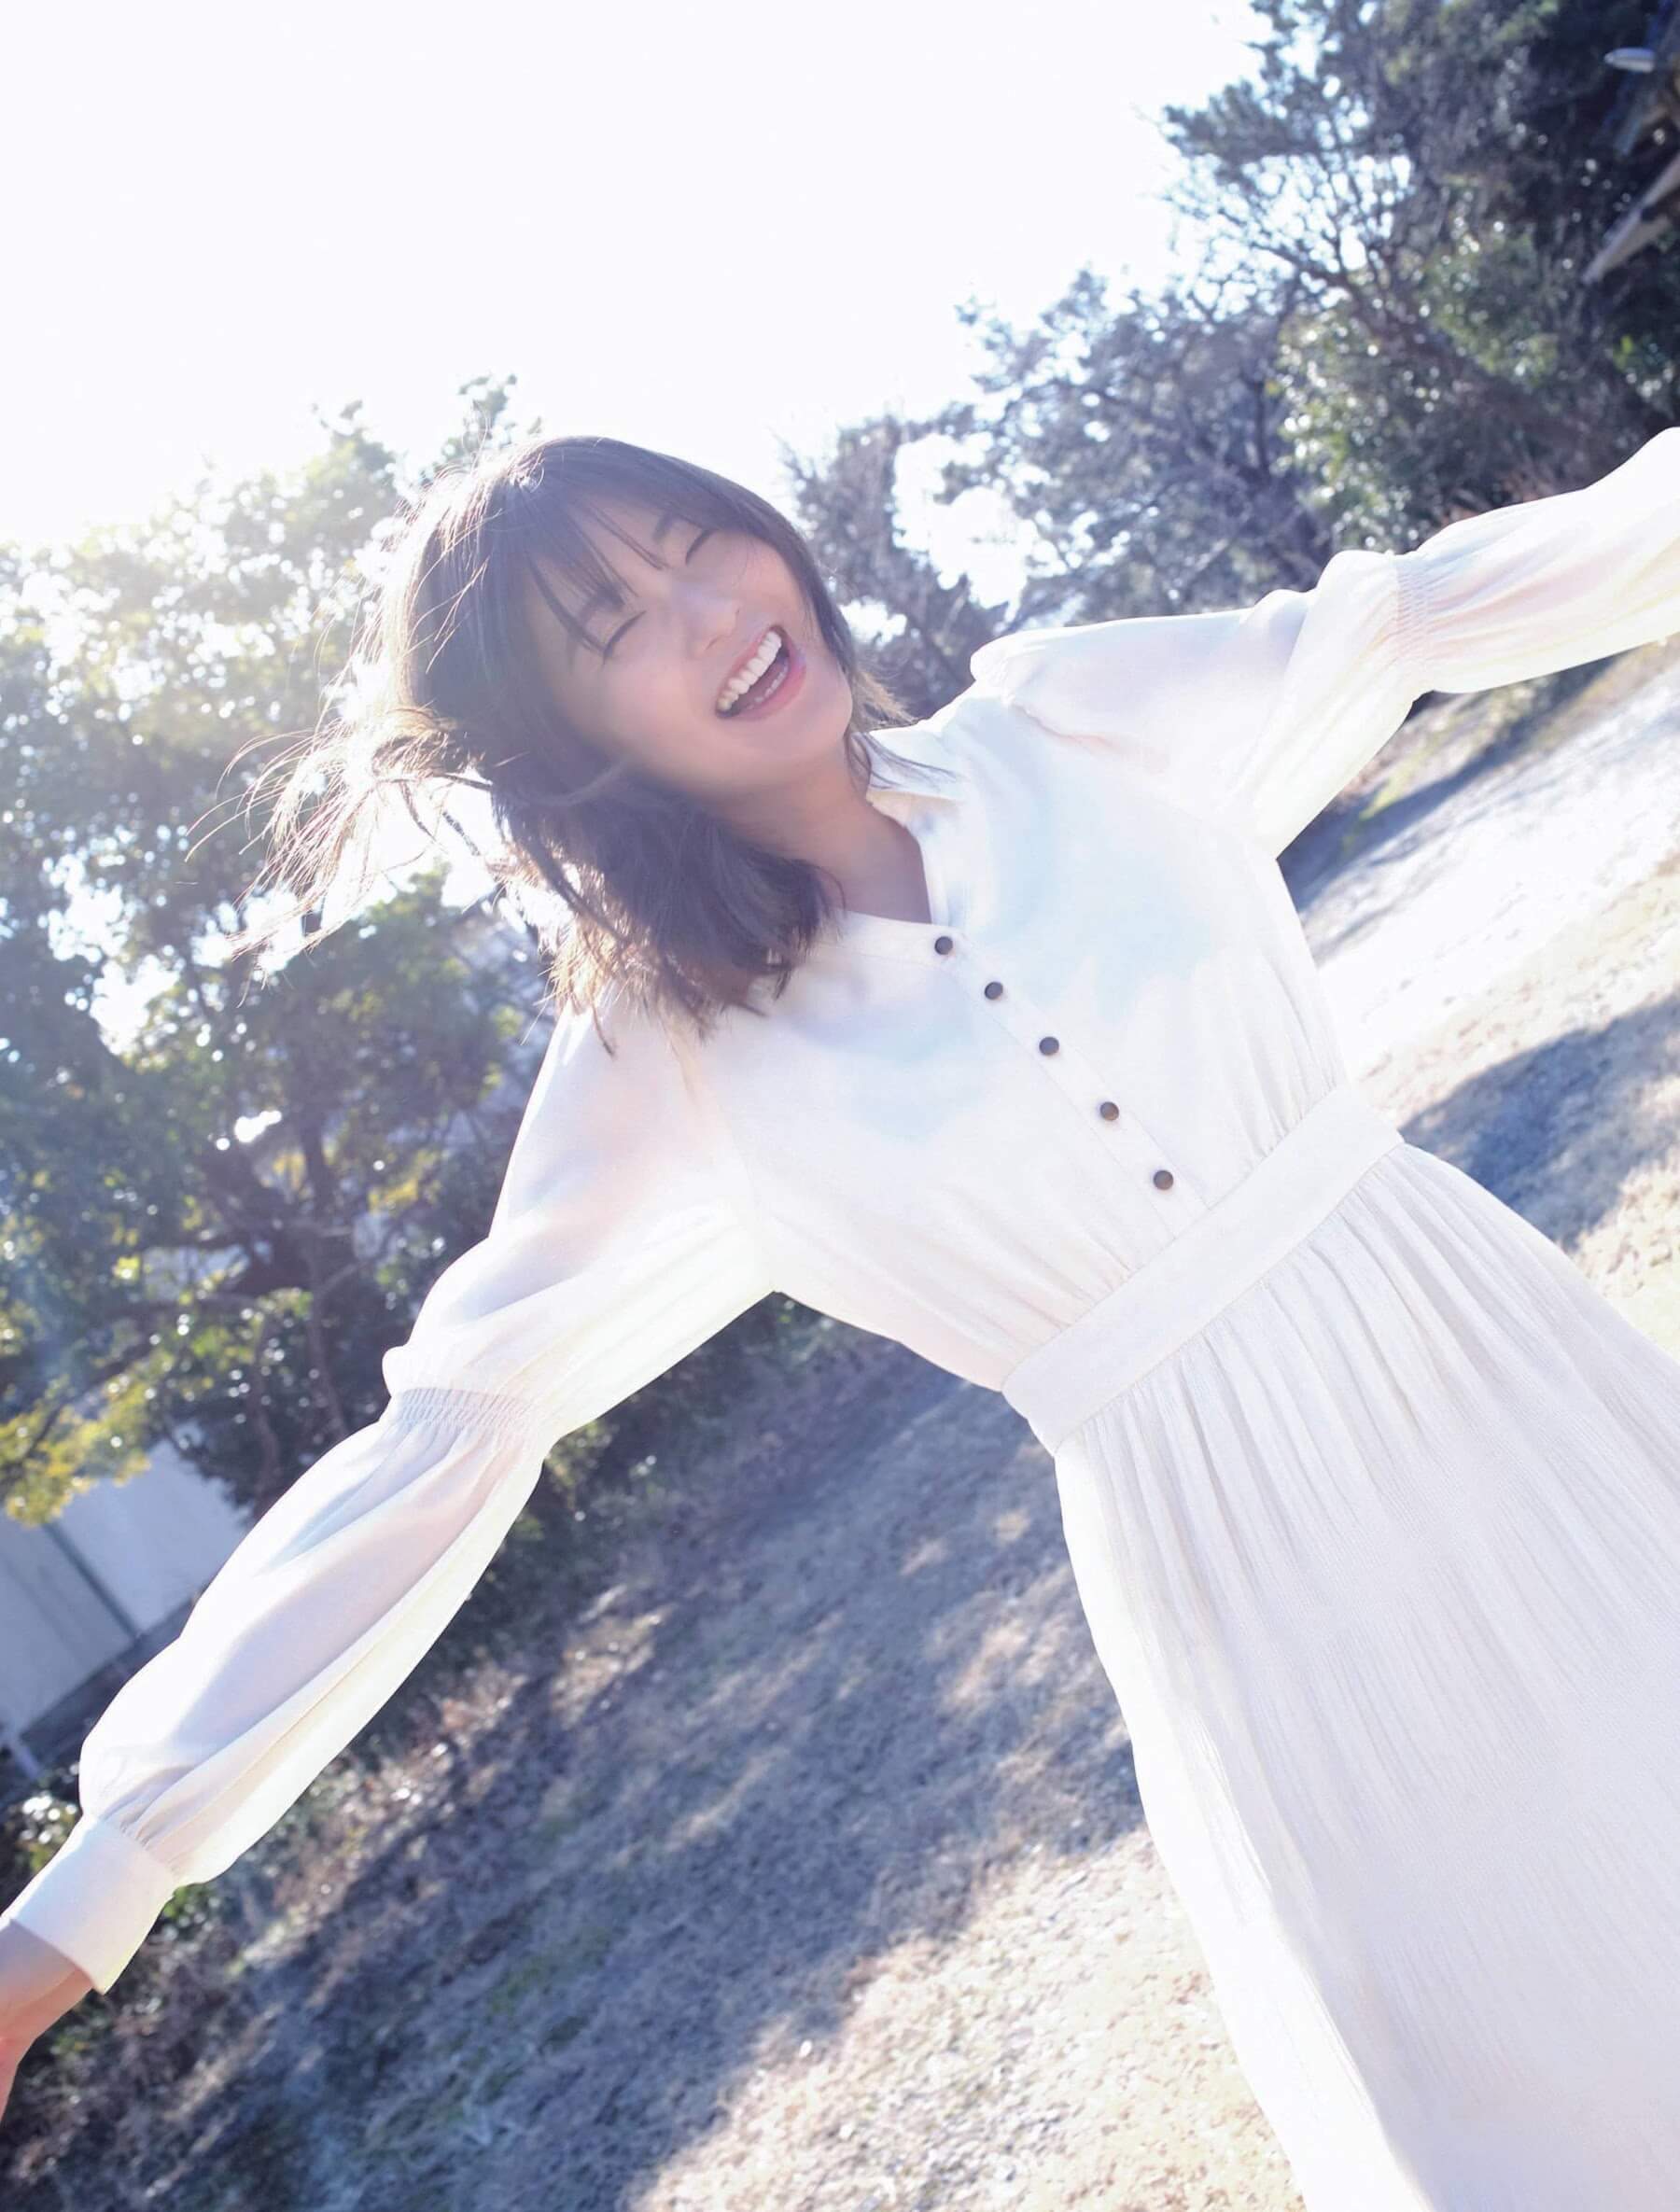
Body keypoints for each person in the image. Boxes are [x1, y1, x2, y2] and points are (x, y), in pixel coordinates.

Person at [5, 426, 1680, 2205]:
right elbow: (449, 1436)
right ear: (575, 755)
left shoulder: (1066, 727)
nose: (708, 611)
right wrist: (90, 1892)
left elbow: (1418, 613)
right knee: (1523, 2087)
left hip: (1493, 1368)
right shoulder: (667, 1056)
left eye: (697, 544)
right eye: (616, 623)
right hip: (1244, 1572)